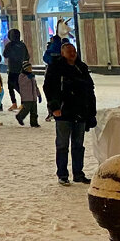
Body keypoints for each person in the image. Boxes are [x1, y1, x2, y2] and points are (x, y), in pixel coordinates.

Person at [44, 42, 96, 185]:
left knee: (78, 145)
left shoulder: (82, 68)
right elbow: (48, 88)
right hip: (63, 112)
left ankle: (78, 173)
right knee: (62, 144)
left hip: (80, 111)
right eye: (69, 51)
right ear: (62, 53)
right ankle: (62, 174)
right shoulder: (55, 68)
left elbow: (90, 90)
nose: (72, 54)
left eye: (74, 51)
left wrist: (91, 112)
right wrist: (54, 107)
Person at [2, 29, 30, 110]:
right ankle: (22, 103)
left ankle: (15, 103)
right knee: (19, 86)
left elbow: (5, 55)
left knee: (12, 87)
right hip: (21, 69)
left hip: (12, 69)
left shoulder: (9, 45)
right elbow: (27, 56)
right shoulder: (22, 45)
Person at [15, 60, 42, 127]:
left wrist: (38, 94)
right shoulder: (21, 76)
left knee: (34, 111)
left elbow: (35, 86)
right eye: (29, 68)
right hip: (26, 97)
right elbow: (22, 83)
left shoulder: (32, 76)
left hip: (33, 97)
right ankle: (20, 116)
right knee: (26, 109)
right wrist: (28, 77)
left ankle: (34, 123)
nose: (30, 70)